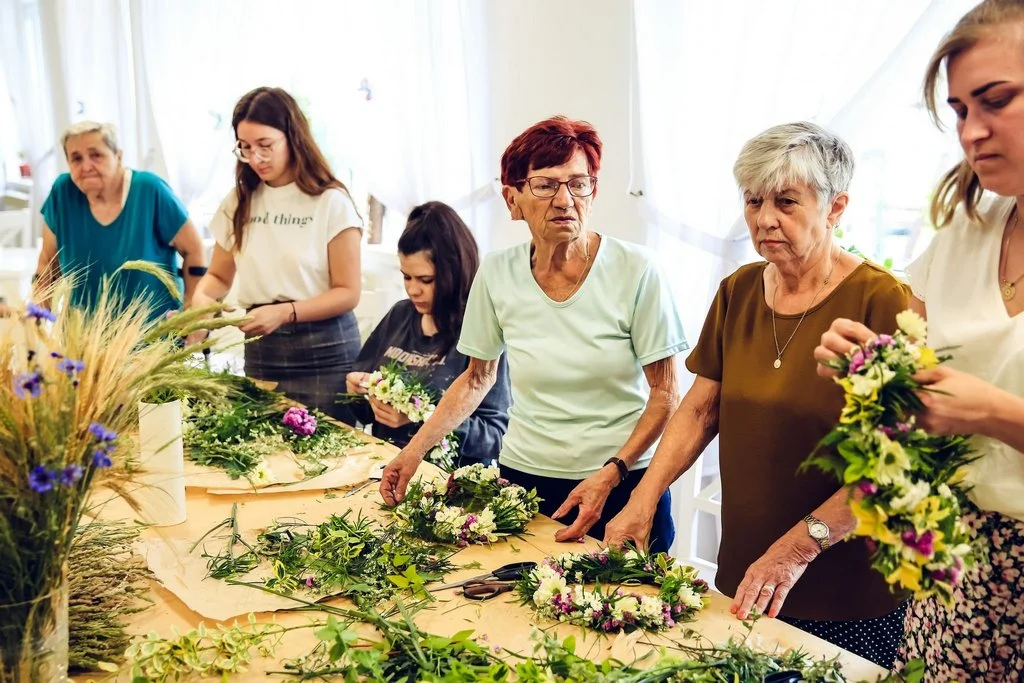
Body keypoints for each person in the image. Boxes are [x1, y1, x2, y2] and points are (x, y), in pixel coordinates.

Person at [604, 122, 912, 668]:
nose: (765, 218)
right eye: (753, 200)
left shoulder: (883, 302)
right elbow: (700, 408)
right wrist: (643, 496)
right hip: (747, 565)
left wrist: (798, 548)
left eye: (786, 201)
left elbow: (897, 461)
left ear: (836, 206)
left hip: (845, 584)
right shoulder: (739, 290)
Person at [816, 3, 1024, 678]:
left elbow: (979, 407)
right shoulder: (964, 227)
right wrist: (873, 369)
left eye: (996, 100)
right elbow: (912, 392)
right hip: (959, 560)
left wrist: (992, 412)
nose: (973, 131)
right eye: (961, 110)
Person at [378, 115, 688, 554]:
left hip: (622, 481)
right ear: (513, 199)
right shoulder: (498, 272)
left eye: (579, 184)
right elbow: (477, 378)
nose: (565, 199)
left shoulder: (637, 271)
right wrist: (414, 451)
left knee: (628, 610)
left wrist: (611, 472)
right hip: (525, 479)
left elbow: (666, 394)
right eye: (546, 184)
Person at [189, 87, 362, 422]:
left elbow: (348, 292)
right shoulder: (239, 202)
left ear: (293, 137)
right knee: (268, 456)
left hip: (325, 352)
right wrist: (202, 301)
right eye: (246, 147)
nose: (256, 158)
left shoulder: (331, 202)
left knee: (331, 459)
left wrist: (286, 312)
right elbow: (218, 276)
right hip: (264, 350)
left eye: (265, 146)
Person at [345, 201, 511, 466]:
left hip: (446, 485)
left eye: (425, 280)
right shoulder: (400, 315)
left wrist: (424, 418)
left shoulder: (481, 327)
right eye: (406, 277)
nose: (413, 290)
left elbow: (495, 436)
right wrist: (357, 391)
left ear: (453, 273)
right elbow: (363, 414)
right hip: (383, 467)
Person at [35, 121, 205, 318]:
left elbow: (194, 249)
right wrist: (37, 315)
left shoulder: (149, 190)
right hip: (81, 338)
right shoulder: (62, 192)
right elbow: (48, 262)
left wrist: (193, 312)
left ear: (118, 156)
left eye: (96, 155)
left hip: (153, 335)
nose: (86, 166)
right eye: (76, 158)